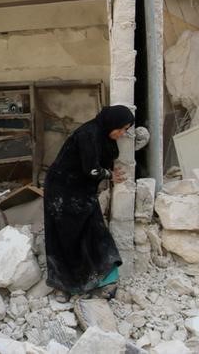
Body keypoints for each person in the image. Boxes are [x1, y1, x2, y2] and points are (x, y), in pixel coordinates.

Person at [43, 105, 135, 301]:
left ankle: (106, 281)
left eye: (126, 129)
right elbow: (91, 170)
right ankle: (63, 286)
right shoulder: (89, 134)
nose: (122, 133)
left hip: (81, 189)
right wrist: (109, 175)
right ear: (111, 123)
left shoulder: (103, 134)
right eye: (121, 128)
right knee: (63, 238)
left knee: (95, 232)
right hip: (61, 190)